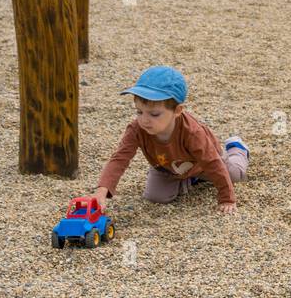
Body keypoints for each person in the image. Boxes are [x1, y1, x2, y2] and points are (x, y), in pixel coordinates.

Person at [92, 65, 248, 214]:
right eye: (139, 112)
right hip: (166, 167)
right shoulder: (136, 129)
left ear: (177, 111)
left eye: (154, 114)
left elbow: (212, 162)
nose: (144, 120)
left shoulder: (192, 132)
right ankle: (190, 179)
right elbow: (120, 158)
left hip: (203, 164)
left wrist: (227, 199)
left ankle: (237, 148)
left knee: (234, 175)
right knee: (156, 196)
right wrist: (102, 190)